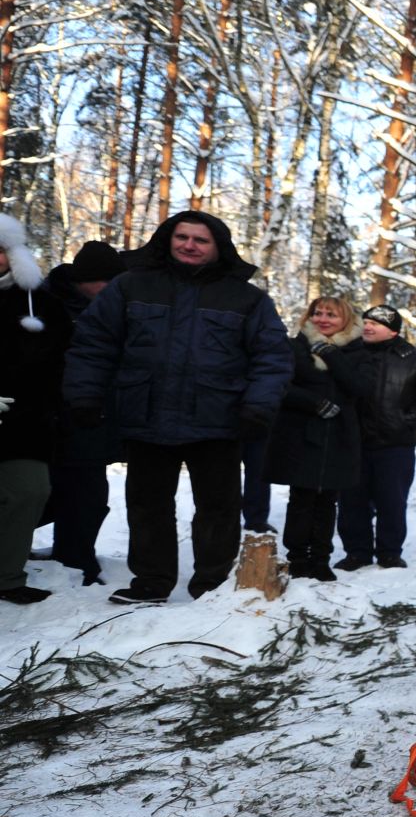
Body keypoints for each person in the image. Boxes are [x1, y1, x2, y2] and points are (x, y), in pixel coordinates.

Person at [64, 210, 292, 605]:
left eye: (200, 240)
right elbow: (93, 344)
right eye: (182, 237)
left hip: (219, 418)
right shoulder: (131, 286)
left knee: (218, 508)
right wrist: (84, 395)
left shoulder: (247, 299)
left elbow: (272, 357)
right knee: (147, 504)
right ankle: (151, 582)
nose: (189, 245)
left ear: (217, 247)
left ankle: (211, 585)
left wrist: (258, 408)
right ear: (167, 239)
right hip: (145, 413)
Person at [0, 216, 73, 605]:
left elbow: (58, 358)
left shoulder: (44, 306)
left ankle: (7, 576)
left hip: (23, 423)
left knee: (30, 491)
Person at [268, 296, 367, 581]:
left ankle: (321, 559)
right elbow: (281, 384)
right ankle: (297, 559)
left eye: (331, 315)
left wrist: (332, 355)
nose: (323, 319)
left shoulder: (358, 350)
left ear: (344, 320)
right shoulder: (295, 346)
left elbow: (360, 387)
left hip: (339, 437)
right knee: (301, 499)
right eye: (318, 313)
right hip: (301, 433)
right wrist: (312, 402)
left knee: (327, 501)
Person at [41, 240, 123, 584]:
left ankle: (76, 557)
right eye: (106, 282)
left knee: (89, 494)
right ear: (85, 279)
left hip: (90, 417)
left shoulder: (112, 305)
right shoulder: (44, 303)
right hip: (43, 414)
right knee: (36, 491)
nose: (111, 289)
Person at [336, 304, 416, 571]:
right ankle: (357, 553)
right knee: (351, 502)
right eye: (366, 321)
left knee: (392, 502)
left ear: (392, 331)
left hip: (395, 446)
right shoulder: (348, 353)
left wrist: (406, 424)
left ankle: (390, 553)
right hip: (353, 443)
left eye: (376, 324)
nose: (368, 326)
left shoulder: (414, 360)